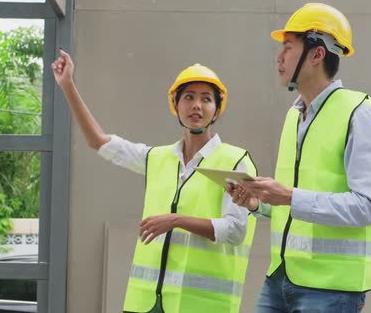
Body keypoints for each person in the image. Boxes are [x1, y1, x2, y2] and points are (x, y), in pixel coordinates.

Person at [51, 51, 257, 312]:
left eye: (206, 99)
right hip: (145, 302)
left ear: (217, 110)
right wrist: (68, 85)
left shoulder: (234, 159)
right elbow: (97, 141)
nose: (197, 105)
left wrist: (176, 220)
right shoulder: (156, 158)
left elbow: (236, 230)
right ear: (176, 105)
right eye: (189, 97)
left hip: (201, 305)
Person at [228, 3, 371, 312]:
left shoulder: (360, 114)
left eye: (288, 48)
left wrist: (288, 196)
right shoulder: (295, 115)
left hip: (332, 289)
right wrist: (257, 202)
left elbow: (369, 206)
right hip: (280, 278)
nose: (279, 57)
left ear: (317, 54)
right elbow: (295, 199)